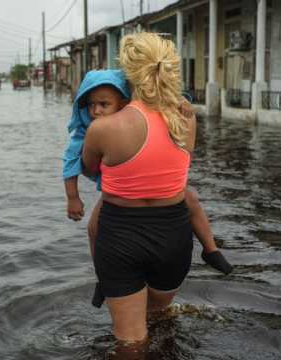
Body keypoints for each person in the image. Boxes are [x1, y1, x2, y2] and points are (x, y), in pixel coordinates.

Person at [80, 32, 231, 346]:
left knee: (130, 341)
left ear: (127, 72)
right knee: (158, 318)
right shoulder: (185, 119)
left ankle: (103, 283)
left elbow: (89, 169)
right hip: (173, 237)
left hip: (120, 236)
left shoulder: (103, 128)